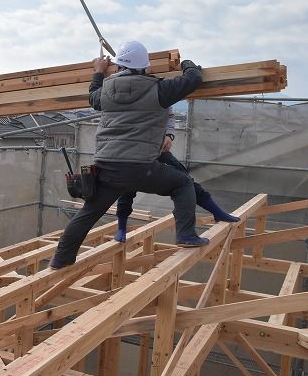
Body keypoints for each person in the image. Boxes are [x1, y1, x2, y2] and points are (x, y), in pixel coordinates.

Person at [50, 40, 209, 270]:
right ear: (145, 66)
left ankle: (61, 259)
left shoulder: (104, 91)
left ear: (118, 67)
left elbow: (92, 95)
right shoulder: (159, 90)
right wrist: (186, 63)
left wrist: (98, 72)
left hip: (107, 167)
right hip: (140, 168)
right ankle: (186, 234)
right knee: (183, 184)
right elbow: (193, 79)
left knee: (88, 213)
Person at [113, 110, 240, 242]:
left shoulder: (158, 91)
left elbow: (168, 115)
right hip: (130, 147)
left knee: (186, 181)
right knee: (127, 186)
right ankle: (121, 228)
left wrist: (168, 135)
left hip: (156, 145)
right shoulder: (128, 96)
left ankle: (217, 212)